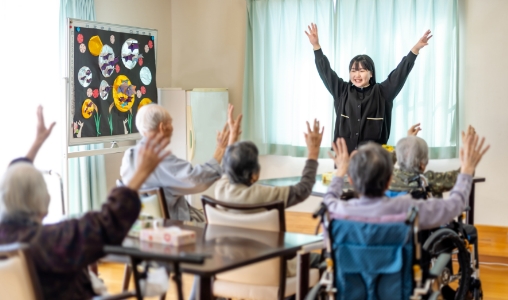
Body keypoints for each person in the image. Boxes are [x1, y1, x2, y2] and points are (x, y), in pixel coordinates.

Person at [0, 106, 170, 299]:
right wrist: (140, 173)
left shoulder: (8, 239)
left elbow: (13, 184)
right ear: (43, 203)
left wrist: (36, 145)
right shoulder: (52, 241)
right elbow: (108, 221)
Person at [214, 119, 324, 277]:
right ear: (255, 174)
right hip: (272, 272)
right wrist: (313, 153)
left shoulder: (220, 189)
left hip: (229, 268)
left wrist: (232, 139)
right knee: (320, 258)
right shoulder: (264, 195)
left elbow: (226, 169)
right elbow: (304, 188)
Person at [323, 127, 489, 230]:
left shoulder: (337, 210)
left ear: (351, 179)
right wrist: (468, 167)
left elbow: (329, 198)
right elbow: (455, 200)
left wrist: (340, 171)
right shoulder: (411, 206)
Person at [305, 23, 432, 154]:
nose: (357, 75)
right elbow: (325, 72)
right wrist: (316, 46)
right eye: (353, 71)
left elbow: (399, 74)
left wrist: (415, 50)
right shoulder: (342, 91)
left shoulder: (382, 93)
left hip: (373, 159)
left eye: (362, 70)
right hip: (344, 156)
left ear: (371, 73)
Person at [120, 103, 242, 221]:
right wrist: (220, 150)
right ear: (163, 127)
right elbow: (196, 179)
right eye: (170, 123)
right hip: (174, 226)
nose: (173, 127)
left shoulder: (129, 155)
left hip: (145, 226)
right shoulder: (159, 159)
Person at [389, 124, 474, 198]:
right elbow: (463, 175)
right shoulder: (426, 180)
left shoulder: (386, 175)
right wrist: (469, 151)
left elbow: (385, 160)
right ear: (422, 164)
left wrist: (407, 145)